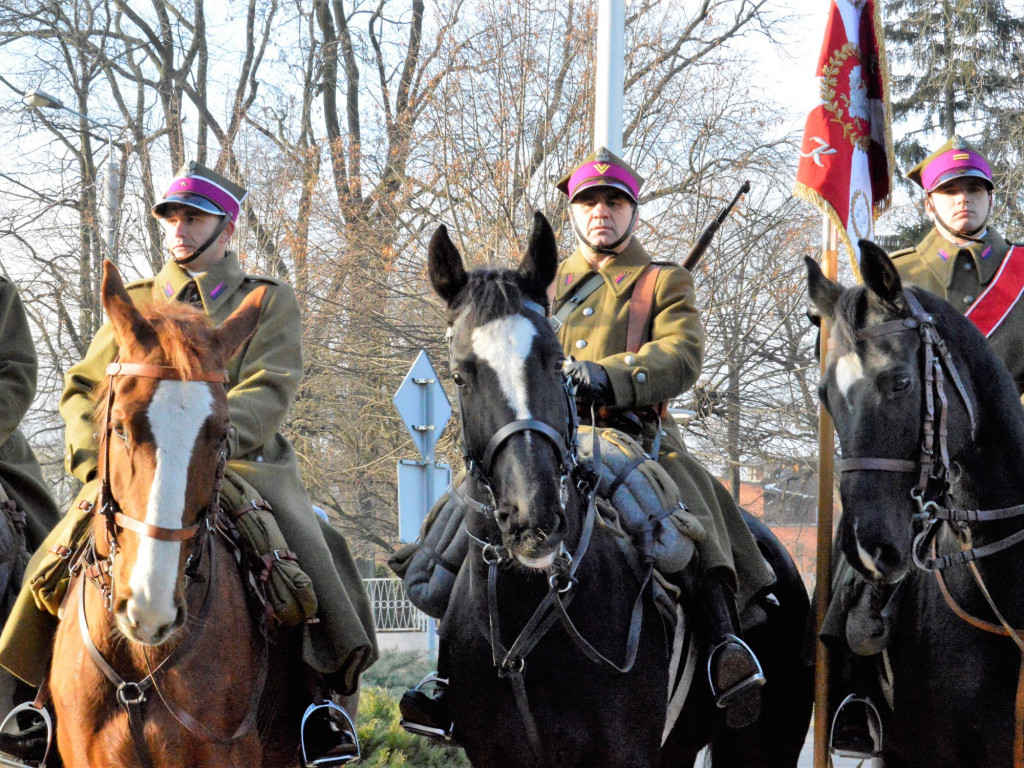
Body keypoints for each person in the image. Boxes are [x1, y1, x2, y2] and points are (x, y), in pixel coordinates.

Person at [0, 163, 377, 766]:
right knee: (53, 556)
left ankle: (322, 706)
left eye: (193, 217)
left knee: (313, 544)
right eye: (171, 217)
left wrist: (211, 443)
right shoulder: (139, 302)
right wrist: (95, 462)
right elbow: (82, 389)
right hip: (136, 460)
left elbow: (271, 386)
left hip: (238, 461)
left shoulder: (267, 301)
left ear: (226, 228)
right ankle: (32, 706)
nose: (178, 228)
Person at [400, 148, 777, 735]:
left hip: (631, 432)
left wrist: (607, 376)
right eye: (587, 201)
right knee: (462, 511)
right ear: (572, 211)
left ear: (631, 209)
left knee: (681, 515)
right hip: (542, 435)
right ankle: (452, 671)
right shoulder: (539, 282)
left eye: (614, 201)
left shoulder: (663, 281)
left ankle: (726, 643)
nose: (601, 212)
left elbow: (681, 356)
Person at [823, 135, 1020, 758]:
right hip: (922, 457)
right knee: (861, 535)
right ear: (928, 201)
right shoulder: (896, 274)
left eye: (974, 189)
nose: (963, 201)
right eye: (949, 190)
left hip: (1015, 446)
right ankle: (854, 689)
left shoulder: (1021, 272)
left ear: (990, 197)